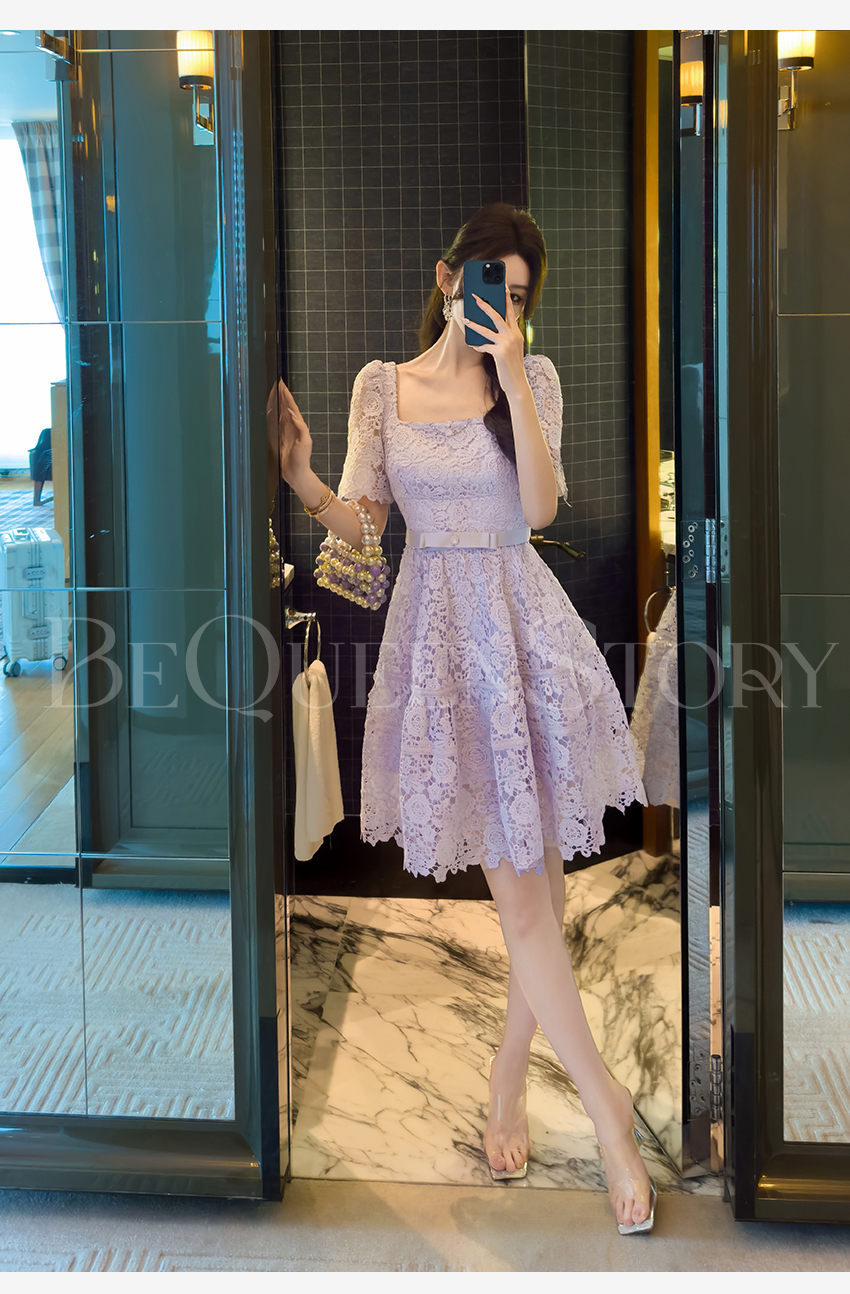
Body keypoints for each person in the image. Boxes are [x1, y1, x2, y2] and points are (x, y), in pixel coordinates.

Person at [269, 203, 656, 1235]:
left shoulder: (533, 379)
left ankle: (526, 1086)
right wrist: (305, 479)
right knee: (525, 891)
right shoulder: (380, 388)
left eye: (519, 296)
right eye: (490, 284)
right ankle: (601, 1108)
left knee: (536, 891)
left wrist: (517, 376)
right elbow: (364, 535)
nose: (502, 307)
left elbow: (539, 510)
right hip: (439, 648)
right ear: (447, 277)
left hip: (525, 635)